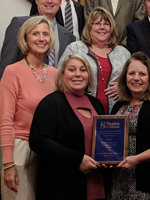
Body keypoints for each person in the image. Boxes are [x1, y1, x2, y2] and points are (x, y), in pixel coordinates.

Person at [0, 0, 76, 116]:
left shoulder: (69, 36)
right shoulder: (19, 24)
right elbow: (6, 63)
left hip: (57, 105)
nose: (49, 1)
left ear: (59, 1)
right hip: (24, 105)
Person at [29, 54, 105, 200]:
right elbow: (38, 141)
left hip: (96, 182)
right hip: (61, 185)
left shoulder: (96, 104)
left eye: (83, 70)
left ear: (88, 75)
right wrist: (78, 160)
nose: (78, 74)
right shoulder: (51, 103)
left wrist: (109, 159)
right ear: (62, 74)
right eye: (72, 69)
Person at [0, 16, 58, 199]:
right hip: (21, 150)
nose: (41, 38)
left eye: (45, 34)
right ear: (25, 39)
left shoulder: (56, 74)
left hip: (47, 151)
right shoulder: (12, 71)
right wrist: (8, 163)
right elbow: (5, 119)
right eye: (35, 34)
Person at [109, 52, 150, 199]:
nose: (136, 78)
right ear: (125, 77)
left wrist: (138, 159)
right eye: (131, 73)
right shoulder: (118, 106)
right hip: (119, 182)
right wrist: (105, 157)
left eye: (142, 74)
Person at [58, 6, 130, 114]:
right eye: (97, 23)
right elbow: (59, 77)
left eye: (106, 24)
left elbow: (134, 79)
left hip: (116, 115)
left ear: (111, 28)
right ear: (89, 27)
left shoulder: (123, 53)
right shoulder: (75, 48)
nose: (102, 27)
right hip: (80, 111)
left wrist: (123, 86)